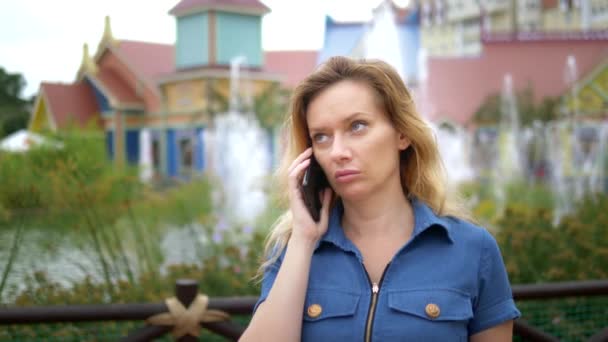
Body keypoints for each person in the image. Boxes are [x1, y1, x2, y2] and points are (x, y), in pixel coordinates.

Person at [239, 56, 520, 341]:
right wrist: (303, 239)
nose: (337, 151)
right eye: (321, 136)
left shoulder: (472, 249)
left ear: (402, 133)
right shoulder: (294, 249)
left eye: (357, 126)